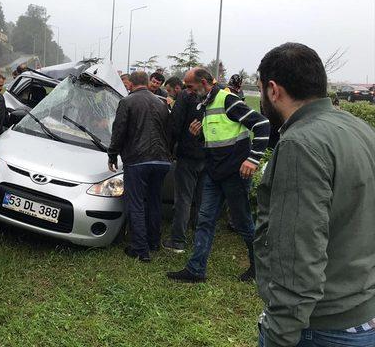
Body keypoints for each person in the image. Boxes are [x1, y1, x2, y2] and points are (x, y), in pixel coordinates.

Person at [255, 43, 375, 347]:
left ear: (273, 90)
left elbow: (298, 252)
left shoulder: (301, 144)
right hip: (362, 313)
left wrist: (279, 332)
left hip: (320, 326)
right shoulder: (358, 128)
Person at [167, 67, 270, 283]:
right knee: (205, 221)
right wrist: (199, 134)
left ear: (204, 83)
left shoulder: (228, 100)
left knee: (244, 224)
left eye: (190, 86)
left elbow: (262, 125)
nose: (187, 91)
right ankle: (196, 270)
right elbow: (217, 139)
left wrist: (252, 159)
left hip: (235, 175)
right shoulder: (204, 104)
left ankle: (259, 269)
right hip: (214, 174)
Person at [108, 71, 172, 262]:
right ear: (146, 82)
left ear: (131, 85)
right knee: (154, 202)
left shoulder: (127, 102)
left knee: (136, 203)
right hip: (161, 160)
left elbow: (119, 130)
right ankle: (153, 242)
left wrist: (112, 154)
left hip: (138, 159)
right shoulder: (161, 103)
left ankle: (139, 249)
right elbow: (169, 131)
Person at [162, 76, 205, 254]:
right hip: (208, 155)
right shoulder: (213, 98)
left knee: (183, 198)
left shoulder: (185, 97)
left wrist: (170, 149)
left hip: (188, 154)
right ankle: (199, 234)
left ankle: (178, 240)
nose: (186, 89)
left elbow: (175, 126)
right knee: (201, 198)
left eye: (188, 85)